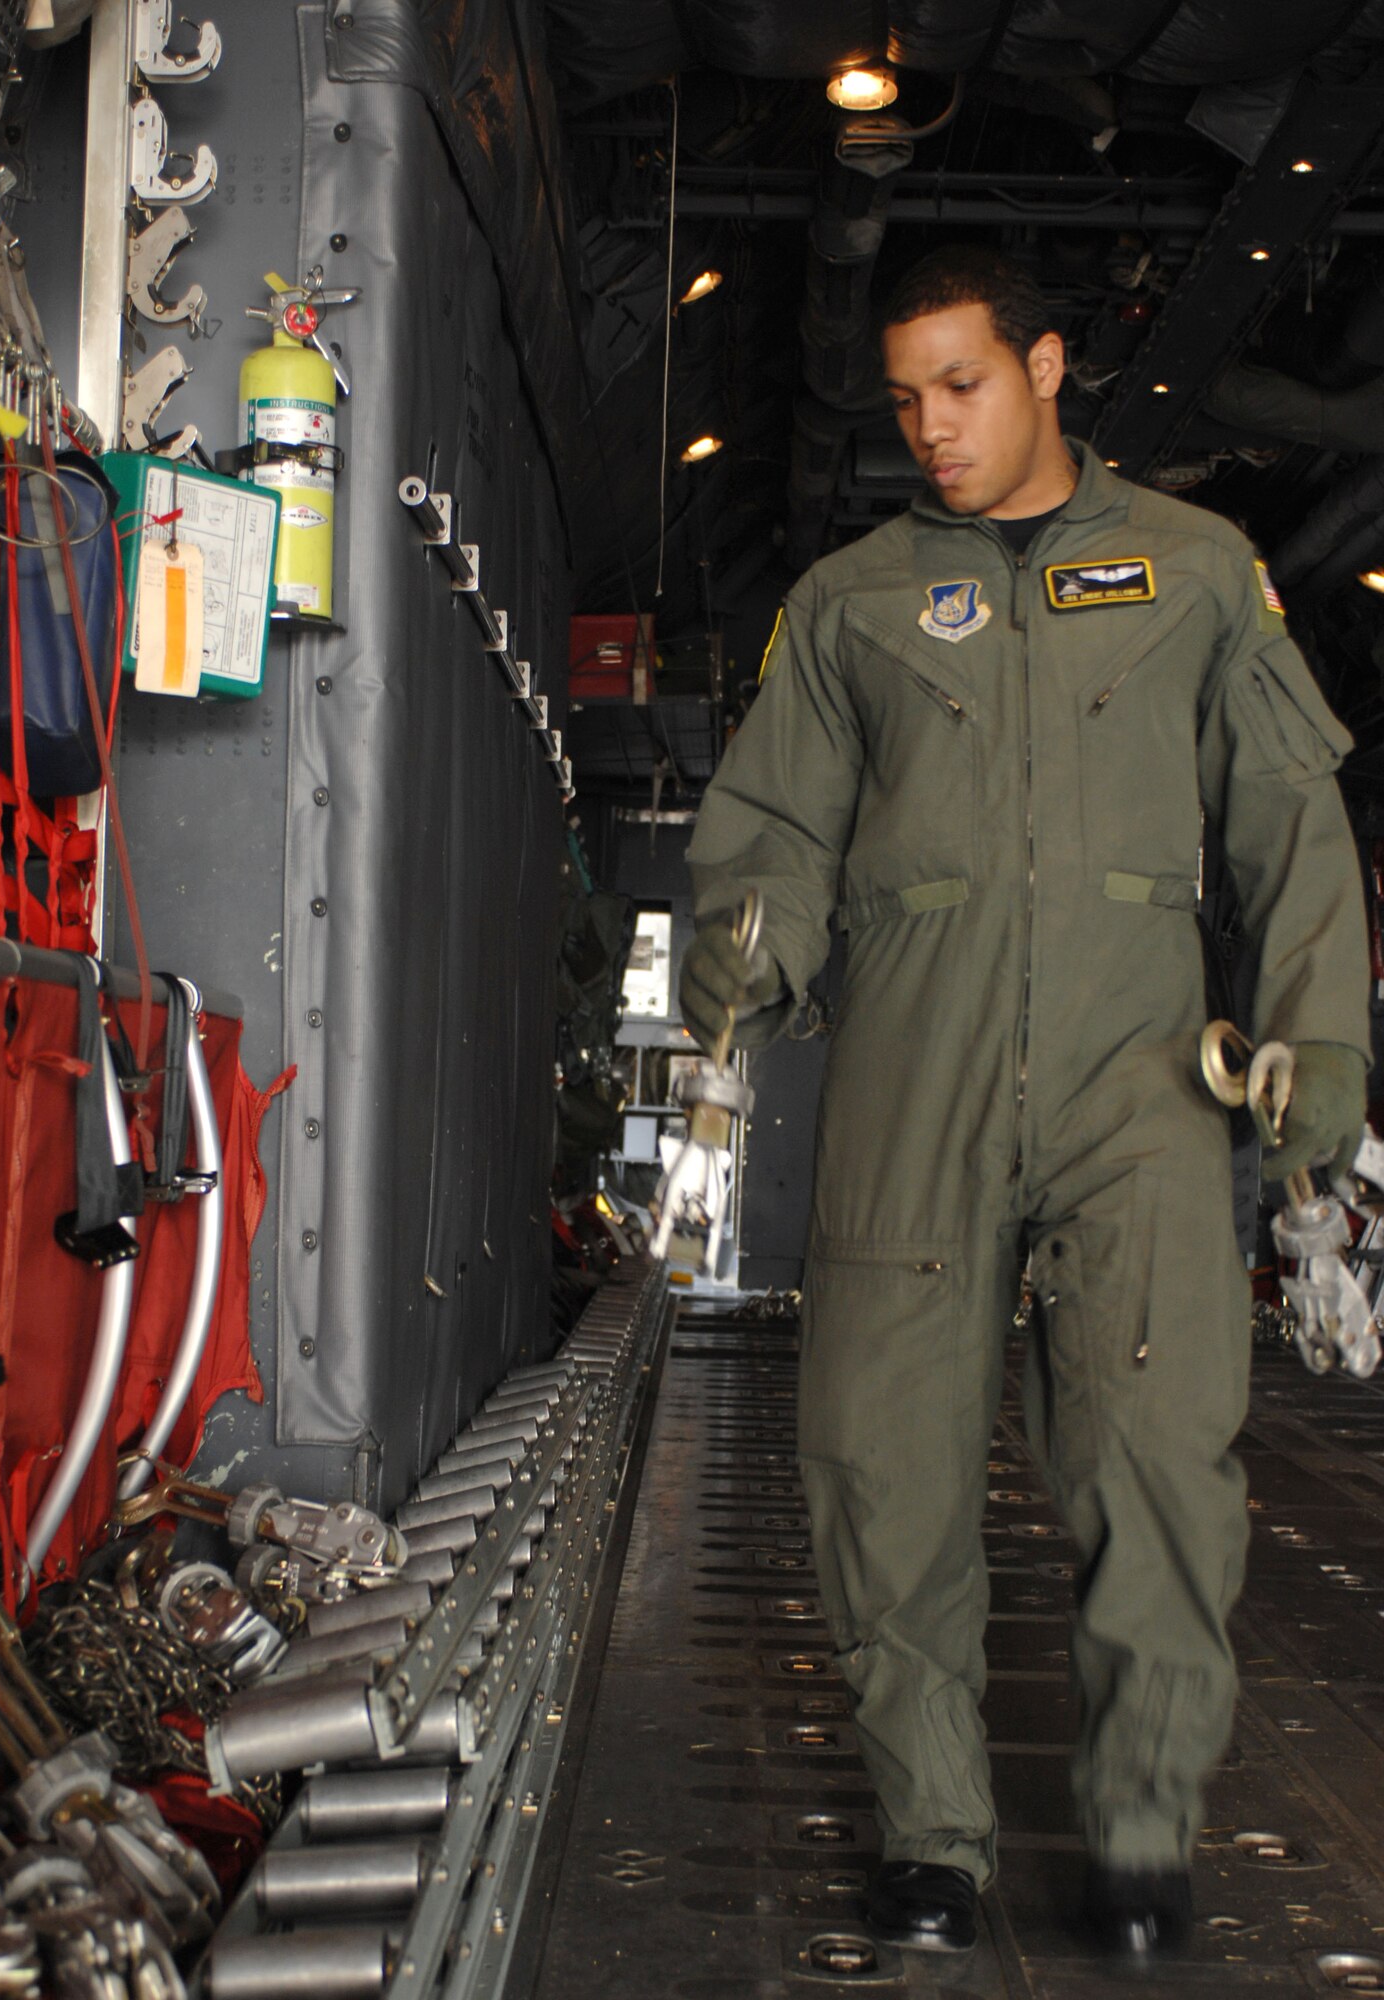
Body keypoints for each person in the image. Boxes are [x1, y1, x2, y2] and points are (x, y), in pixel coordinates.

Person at [679, 245, 1370, 1962]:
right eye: (907, 398)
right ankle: (933, 1834)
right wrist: (731, 987)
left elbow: (1292, 825)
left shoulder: (1196, 573)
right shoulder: (851, 605)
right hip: (912, 1076)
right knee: (878, 1462)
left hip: (1143, 1085)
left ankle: (1143, 1840)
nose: (932, 427)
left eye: (962, 387)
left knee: (1157, 1463)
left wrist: (1320, 1062)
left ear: (1049, 368)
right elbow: (775, 836)